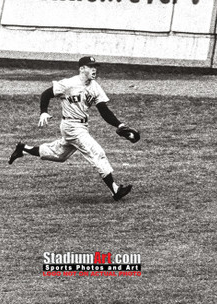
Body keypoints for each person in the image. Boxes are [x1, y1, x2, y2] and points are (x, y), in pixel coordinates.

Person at [9, 56, 133, 201]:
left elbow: (103, 110)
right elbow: (46, 94)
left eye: (95, 67)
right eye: (90, 67)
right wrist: (43, 111)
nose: (94, 70)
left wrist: (120, 125)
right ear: (82, 69)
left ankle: (23, 148)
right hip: (70, 126)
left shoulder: (94, 86)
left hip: (82, 127)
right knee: (97, 152)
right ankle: (115, 190)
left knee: (59, 155)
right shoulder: (68, 84)